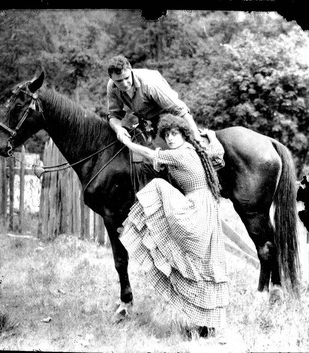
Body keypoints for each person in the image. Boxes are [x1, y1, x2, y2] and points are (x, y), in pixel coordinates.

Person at [118, 113, 228, 339]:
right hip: (209, 208)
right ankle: (206, 325)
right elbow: (218, 153)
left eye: (174, 133)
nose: (169, 138)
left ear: (184, 134)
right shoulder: (196, 149)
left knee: (158, 185)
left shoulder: (178, 153)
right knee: (205, 264)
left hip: (196, 208)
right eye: (166, 135)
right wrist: (213, 135)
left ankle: (136, 223)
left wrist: (128, 143)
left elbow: (150, 154)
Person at [106, 55, 205, 149]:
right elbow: (114, 115)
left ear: (131, 71)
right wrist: (118, 129)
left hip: (170, 117)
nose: (124, 83)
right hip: (148, 122)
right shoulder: (112, 86)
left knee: (163, 154)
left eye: (127, 78)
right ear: (112, 79)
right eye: (119, 81)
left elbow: (179, 110)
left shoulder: (149, 83)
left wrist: (196, 136)